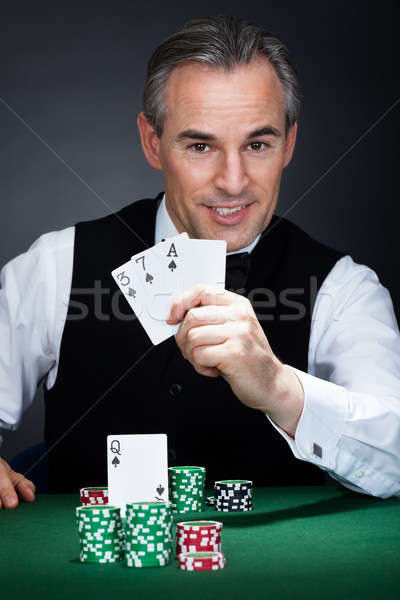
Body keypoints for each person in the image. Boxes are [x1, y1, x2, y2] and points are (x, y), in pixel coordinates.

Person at [1, 15, 399, 509]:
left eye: (257, 144)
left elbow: (394, 458)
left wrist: (279, 388)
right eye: (200, 145)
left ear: (289, 144)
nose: (233, 181)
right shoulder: (55, 267)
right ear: (153, 143)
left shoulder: (345, 289)